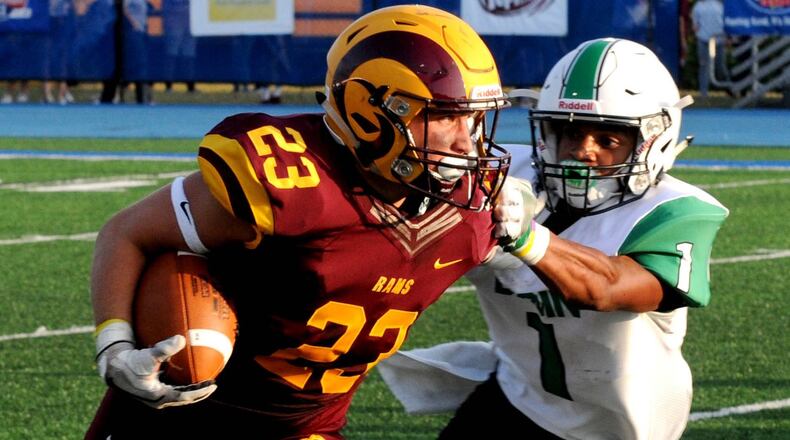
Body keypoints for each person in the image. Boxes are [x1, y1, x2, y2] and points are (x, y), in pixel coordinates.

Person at [85, 5, 515, 439]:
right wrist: (115, 346)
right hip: (180, 418)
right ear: (369, 112)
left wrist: (527, 221)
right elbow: (127, 233)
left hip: (306, 430)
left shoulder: (471, 213)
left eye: (474, 117)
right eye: (444, 115)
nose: (468, 140)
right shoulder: (294, 180)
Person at [378, 38, 729, 439]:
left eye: (608, 140)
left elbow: (608, 288)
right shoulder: (501, 176)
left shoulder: (674, 212)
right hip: (520, 394)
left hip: (619, 425)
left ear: (653, 140)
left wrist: (527, 239)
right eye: (569, 133)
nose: (582, 151)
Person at [691, 0, 728, 97]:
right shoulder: (698, 6)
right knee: (704, 66)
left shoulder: (720, 6)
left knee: (720, 67)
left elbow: (726, 22)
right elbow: (695, 25)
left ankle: (729, 89)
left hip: (718, 40)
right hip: (704, 40)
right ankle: (703, 94)